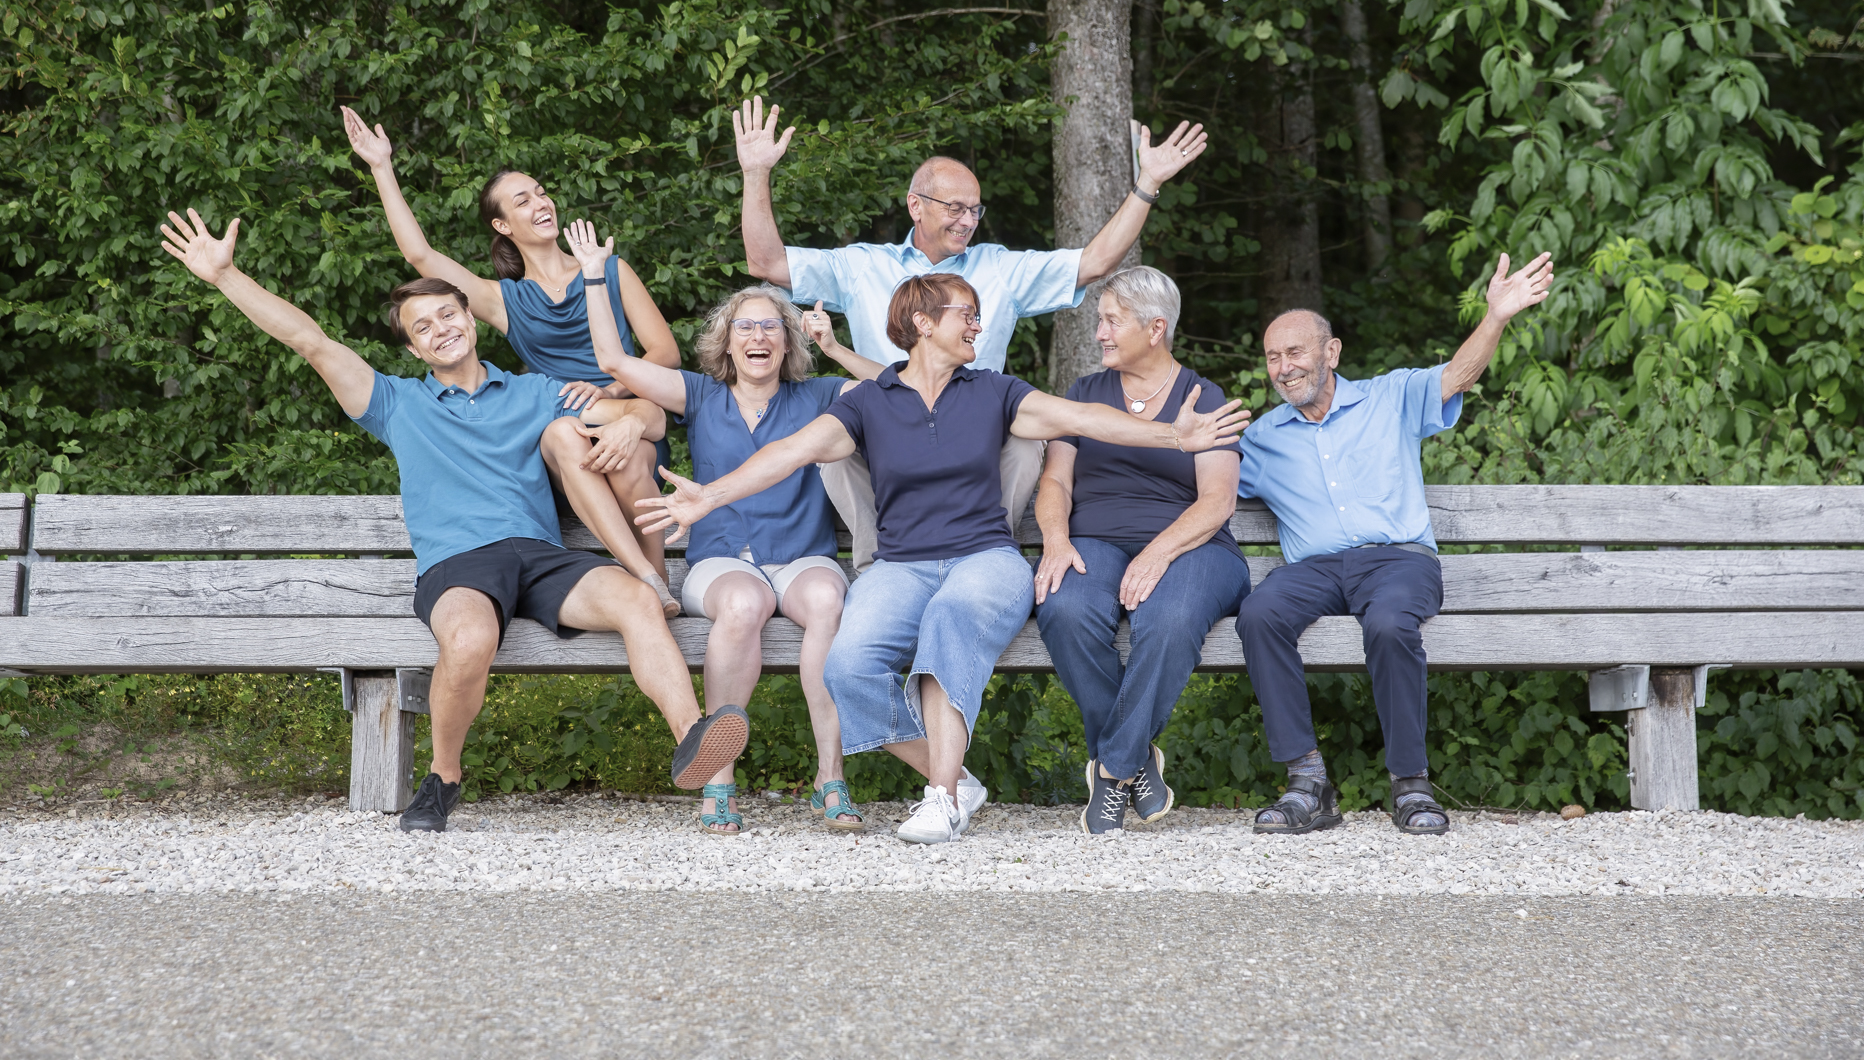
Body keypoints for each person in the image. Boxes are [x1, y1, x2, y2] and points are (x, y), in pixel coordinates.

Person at [156, 208, 749, 834]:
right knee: (469, 641)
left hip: (542, 555)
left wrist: (632, 420)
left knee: (637, 597)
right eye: (423, 326)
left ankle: (694, 740)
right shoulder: (394, 402)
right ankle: (444, 777)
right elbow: (311, 341)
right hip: (462, 562)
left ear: (470, 320)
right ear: (413, 347)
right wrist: (226, 277)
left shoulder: (536, 390)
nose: (440, 328)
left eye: (448, 314)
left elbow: (654, 420)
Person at [636, 272, 1248, 844]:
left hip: (985, 561)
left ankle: (942, 793)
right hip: (900, 566)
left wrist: (1176, 435)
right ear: (924, 323)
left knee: (947, 621)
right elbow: (792, 451)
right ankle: (951, 771)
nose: (979, 326)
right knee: (845, 668)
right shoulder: (870, 403)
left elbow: (1085, 418)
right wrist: (706, 497)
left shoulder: (995, 392)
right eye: (968, 314)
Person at [733, 95, 1212, 571]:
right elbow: (767, 262)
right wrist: (755, 172)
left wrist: (1147, 184)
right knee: (834, 448)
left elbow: (1096, 262)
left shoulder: (998, 267)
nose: (968, 221)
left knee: (1027, 443)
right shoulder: (861, 265)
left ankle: (984, 555)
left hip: (976, 436)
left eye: (975, 211)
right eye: (955, 208)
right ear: (915, 206)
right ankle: (879, 565)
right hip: (887, 439)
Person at [568, 219, 885, 834]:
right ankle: (719, 777)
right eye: (746, 325)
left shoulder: (819, 394)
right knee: (743, 602)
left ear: (789, 343)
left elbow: (901, 390)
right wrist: (591, 275)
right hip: (720, 565)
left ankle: (831, 777)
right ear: (727, 340)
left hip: (802, 558)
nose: (759, 335)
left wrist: (836, 348)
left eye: (772, 326)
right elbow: (612, 359)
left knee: (827, 597)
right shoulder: (699, 395)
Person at [1234, 251, 1555, 838]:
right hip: (1315, 570)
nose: (1284, 368)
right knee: (1258, 614)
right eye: (1273, 357)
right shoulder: (1260, 439)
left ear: (1330, 353)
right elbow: (1202, 485)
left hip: (1399, 562)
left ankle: (1411, 784)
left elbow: (1457, 375)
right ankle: (1308, 782)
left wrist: (1496, 316)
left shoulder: (1390, 397)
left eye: (1296, 352)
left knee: (1387, 624)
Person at [340, 106, 682, 616]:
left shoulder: (608, 269)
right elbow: (421, 257)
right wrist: (381, 168)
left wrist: (613, 393)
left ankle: (657, 587)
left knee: (629, 453)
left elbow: (666, 354)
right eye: (523, 200)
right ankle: (645, 581)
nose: (541, 202)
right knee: (562, 432)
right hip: (557, 435)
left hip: (628, 415)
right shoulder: (504, 301)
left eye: (542, 192)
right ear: (503, 224)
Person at [1031, 266, 1252, 834]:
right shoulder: (1083, 395)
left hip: (1191, 544)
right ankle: (1139, 766)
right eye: (1100, 319)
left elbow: (1217, 502)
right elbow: (1055, 481)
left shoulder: (1205, 398)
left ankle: (1112, 769)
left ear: (1155, 328)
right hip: (1095, 539)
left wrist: (1156, 553)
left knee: (1172, 618)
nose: (1100, 332)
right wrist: (1056, 540)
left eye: (1111, 320)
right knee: (1064, 608)